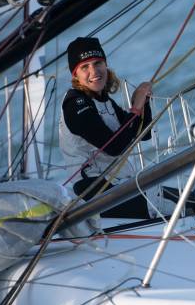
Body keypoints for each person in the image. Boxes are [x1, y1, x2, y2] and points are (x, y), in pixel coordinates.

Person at [58, 37, 152, 218]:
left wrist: (143, 101)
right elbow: (114, 147)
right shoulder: (75, 104)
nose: (94, 71)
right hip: (92, 190)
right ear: (75, 74)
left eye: (98, 63)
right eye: (85, 67)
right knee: (173, 205)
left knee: (191, 200)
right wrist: (135, 109)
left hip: (116, 184)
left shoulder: (104, 101)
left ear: (106, 65)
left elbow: (142, 134)